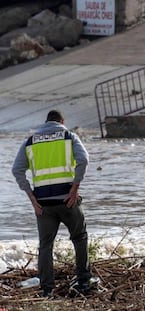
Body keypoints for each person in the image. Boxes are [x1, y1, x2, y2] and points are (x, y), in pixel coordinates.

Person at [12, 110, 91, 297]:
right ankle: (83, 283)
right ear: (62, 121)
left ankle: (47, 289)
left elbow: (17, 170)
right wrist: (75, 189)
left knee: (45, 246)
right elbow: (84, 160)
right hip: (68, 200)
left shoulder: (30, 141)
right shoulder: (68, 136)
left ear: (46, 122)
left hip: (43, 204)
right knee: (79, 238)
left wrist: (32, 199)